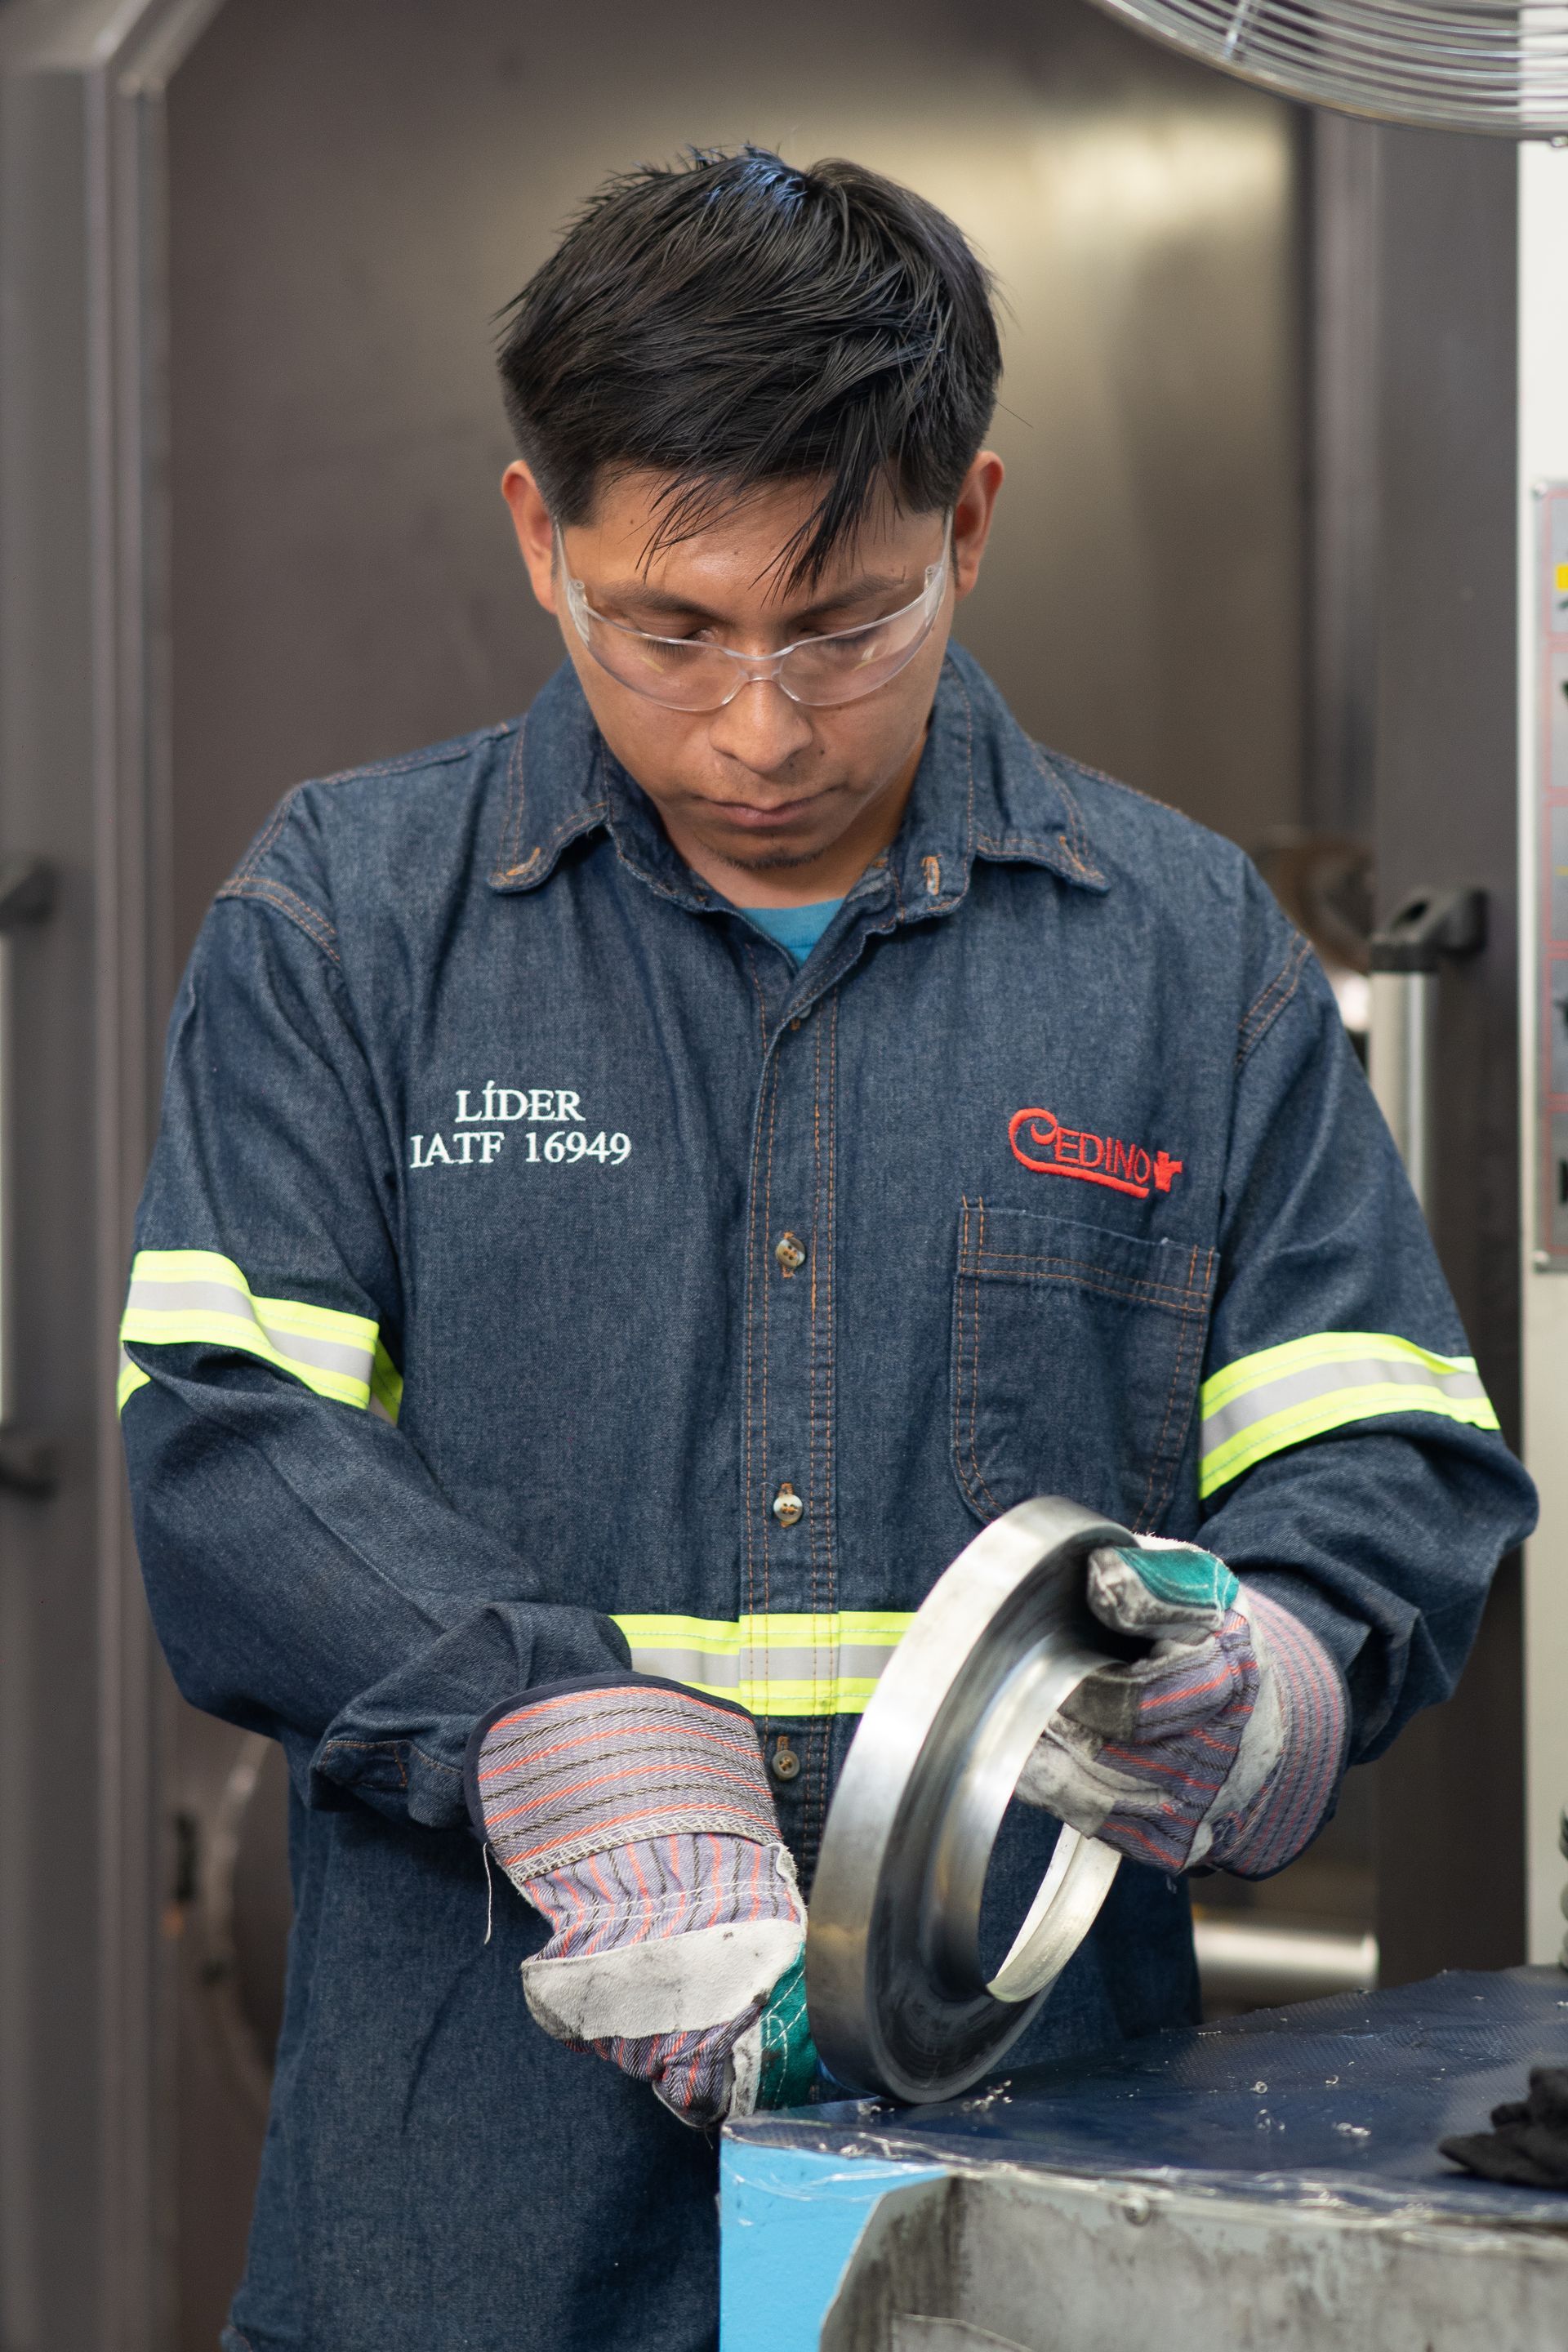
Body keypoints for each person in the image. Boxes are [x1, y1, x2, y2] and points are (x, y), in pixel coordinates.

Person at [118, 147, 1535, 2352]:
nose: (761, 727)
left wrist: (1273, 1664)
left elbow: (1392, 1456)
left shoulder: (1178, 961)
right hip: (473, 2228)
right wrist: (537, 1716)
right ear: (538, 539)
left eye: (842, 623)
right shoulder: (351, 926)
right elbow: (223, 1444)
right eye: (668, 629)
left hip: (1034, 2198)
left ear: (966, 525)